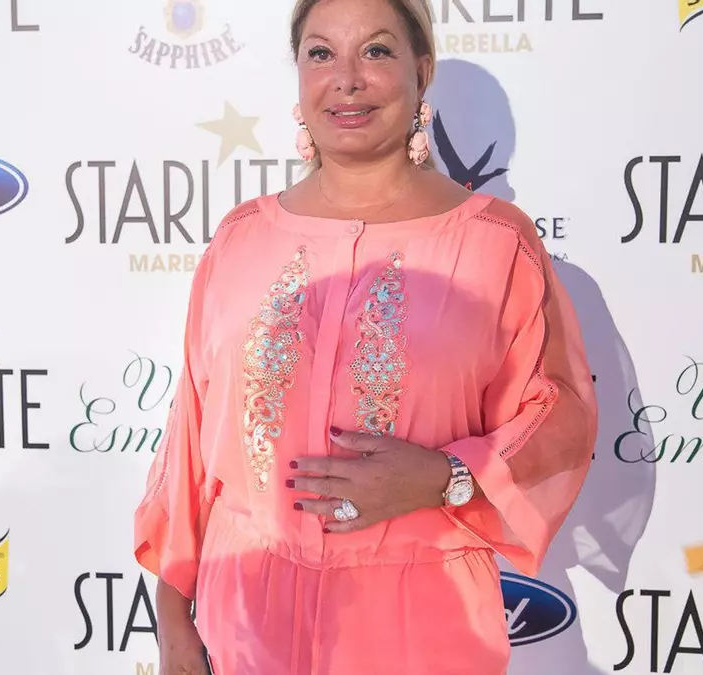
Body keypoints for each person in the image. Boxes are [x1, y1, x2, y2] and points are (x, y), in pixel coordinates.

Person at [133, 0, 598, 672]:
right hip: (246, 616)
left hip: (422, 620)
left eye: (376, 50)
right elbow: (192, 439)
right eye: (321, 53)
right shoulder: (242, 239)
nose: (346, 79)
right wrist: (174, 613)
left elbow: (558, 417)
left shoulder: (494, 241)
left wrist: (447, 476)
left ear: (422, 71)